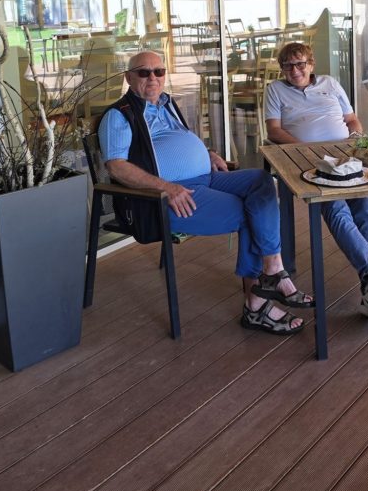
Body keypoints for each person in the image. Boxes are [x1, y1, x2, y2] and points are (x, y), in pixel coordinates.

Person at [98, 50, 311, 336]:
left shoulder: (166, 103)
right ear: (128, 77)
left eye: (159, 72)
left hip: (207, 178)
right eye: (144, 72)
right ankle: (257, 305)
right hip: (172, 195)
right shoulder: (119, 115)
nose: (153, 78)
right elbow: (116, 167)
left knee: (262, 180)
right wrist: (166, 187)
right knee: (252, 213)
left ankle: (273, 268)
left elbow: (181, 138)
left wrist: (207, 152)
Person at [265, 40, 368, 321]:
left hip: (347, 157)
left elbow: (352, 119)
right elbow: (274, 131)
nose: (294, 70)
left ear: (311, 64)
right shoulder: (276, 90)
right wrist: (306, 149)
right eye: (288, 66)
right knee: (337, 209)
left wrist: (355, 140)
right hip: (309, 164)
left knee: (365, 209)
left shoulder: (330, 83)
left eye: (300, 64)